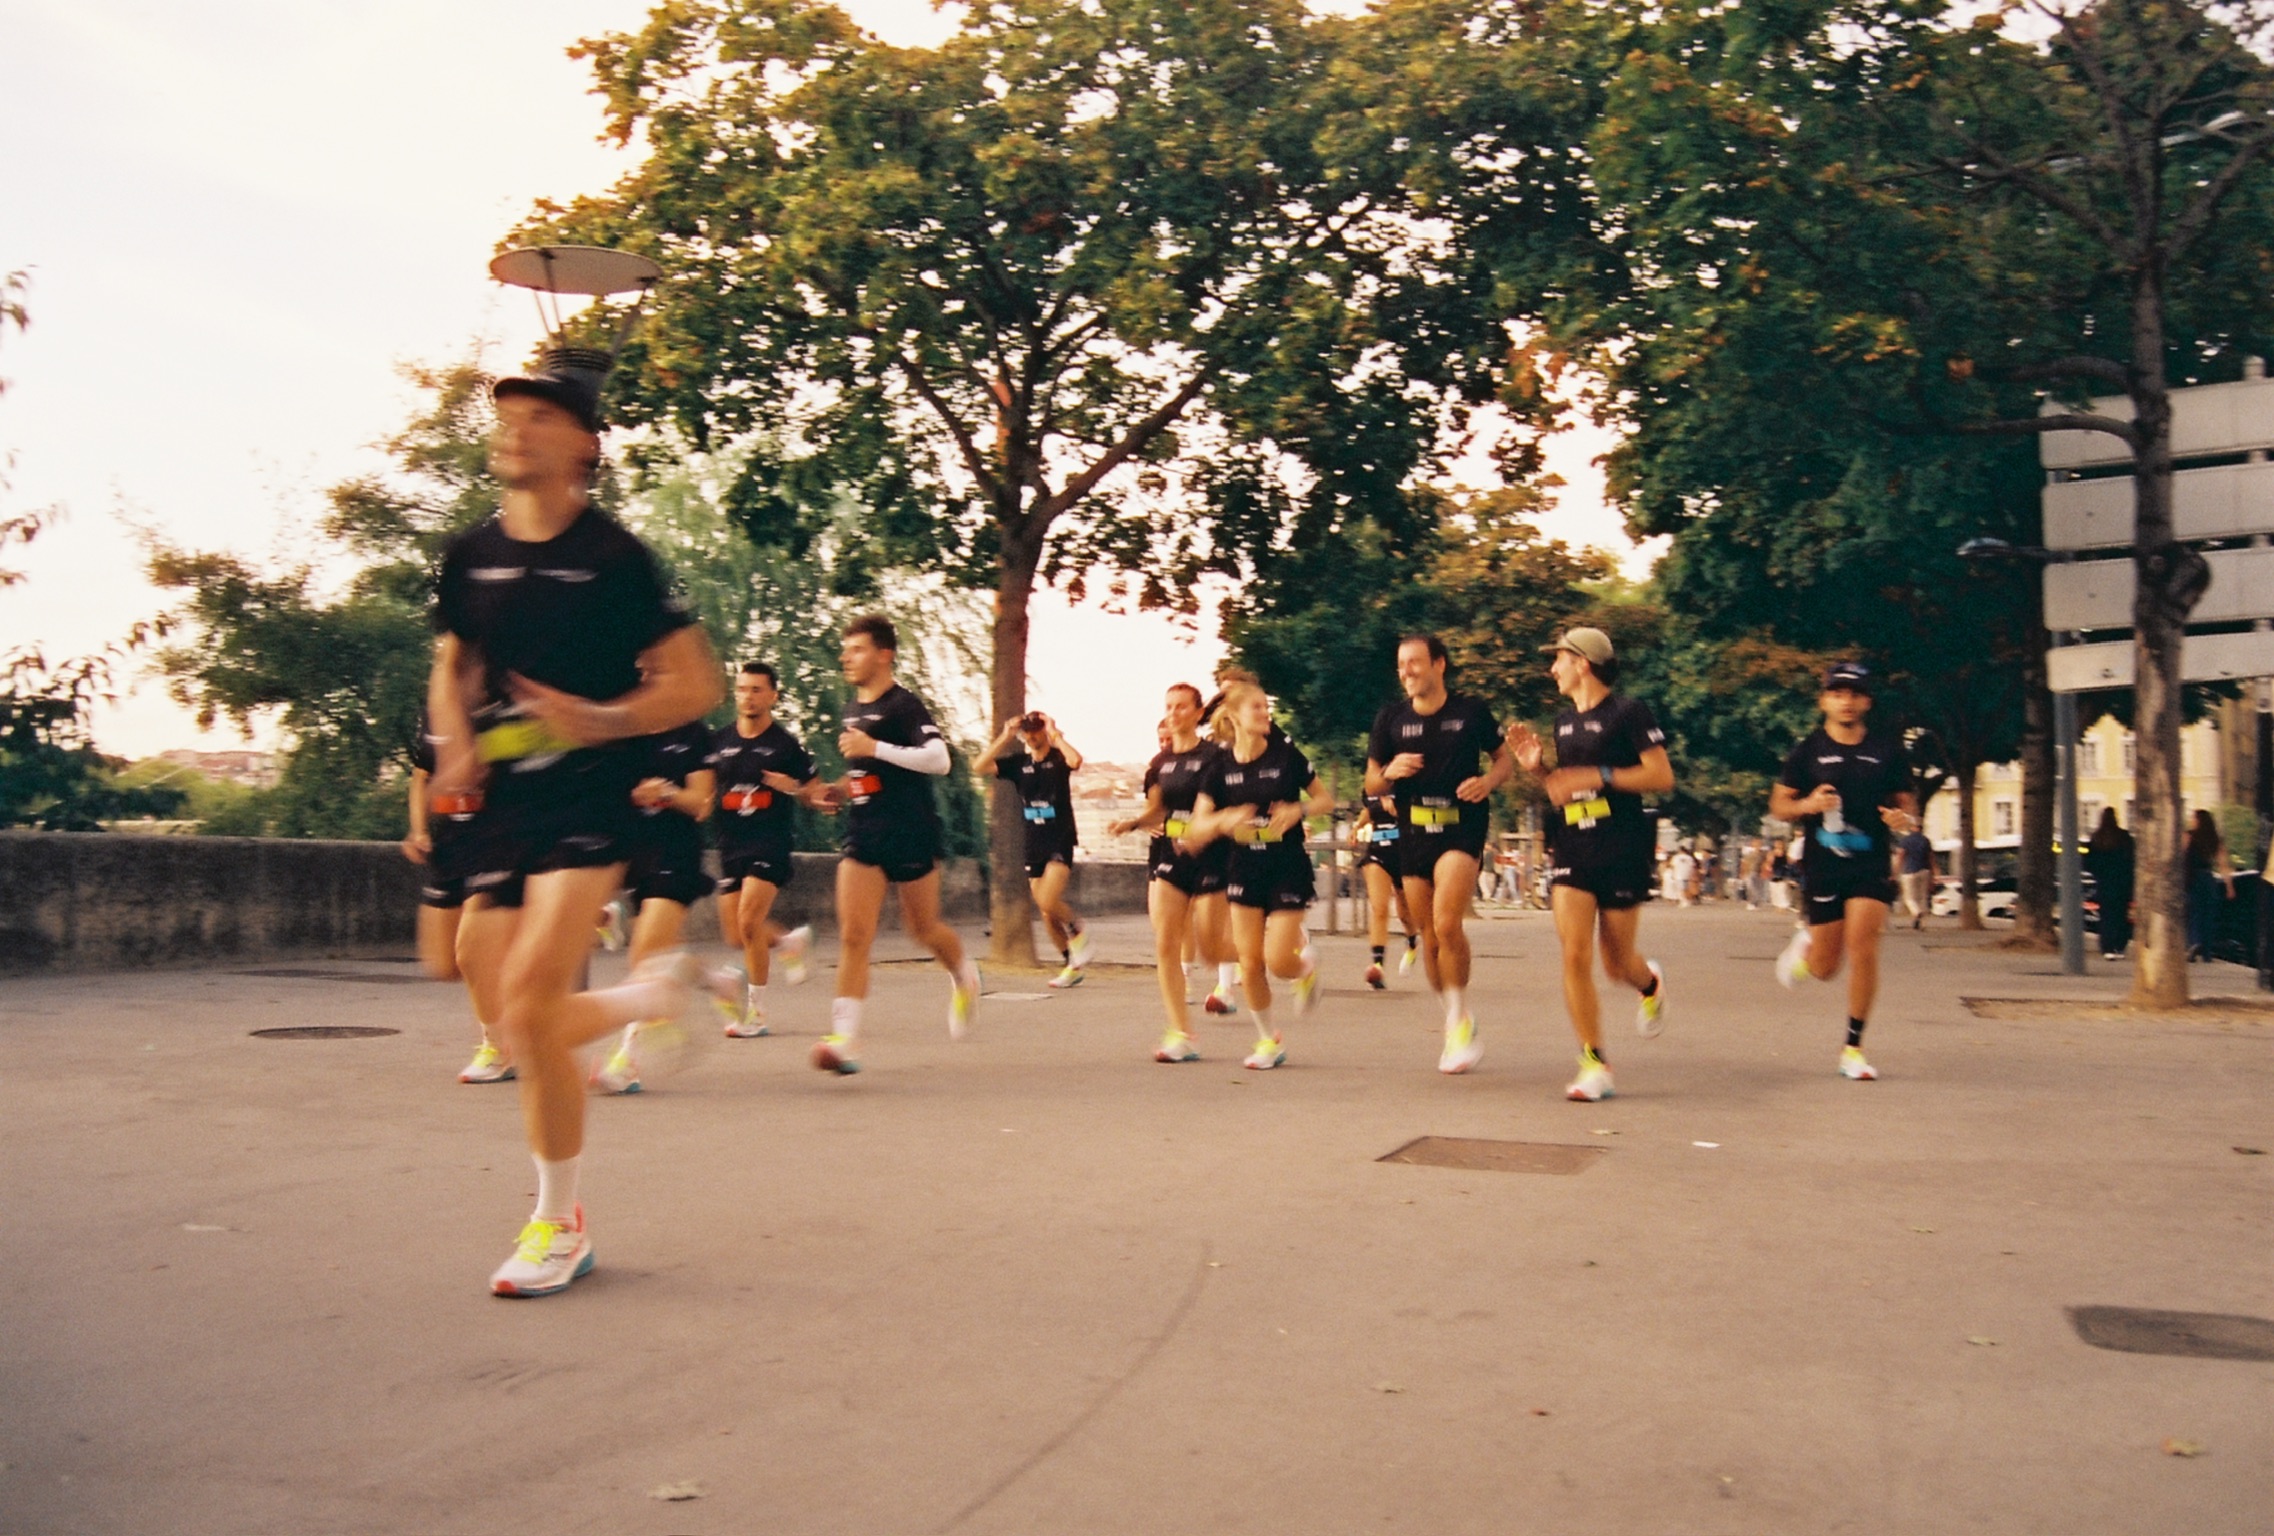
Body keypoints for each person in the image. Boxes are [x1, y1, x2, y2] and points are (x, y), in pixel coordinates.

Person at [428, 356, 729, 1297]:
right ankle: (654, 996)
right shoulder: (470, 555)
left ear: (585, 447)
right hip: (506, 802)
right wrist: (454, 746)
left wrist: (601, 720)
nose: (512, 429)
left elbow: (695, 685)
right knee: (493, 988)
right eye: (505, 415)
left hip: (594, 796)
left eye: (536, 417)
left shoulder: (615, 561)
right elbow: (453, 664)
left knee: (527, 999)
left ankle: (556, 1224)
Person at [810, 615, 982, 1074]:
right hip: (865, 830)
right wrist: (840, 789)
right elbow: (868, 771)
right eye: (845, 649)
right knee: (853, 934)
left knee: (923, 928)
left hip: (911, 829)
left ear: (884, 654)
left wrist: (875, 749)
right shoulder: (852, 709)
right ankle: (844, 1040)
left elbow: (939, 760)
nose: (846, 656)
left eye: (858, 649)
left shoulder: (904, 706)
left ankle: (964, 974)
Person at [1508, 627, 1673, 1103]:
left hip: (1621, 843)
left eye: (1558, 659)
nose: (1551, 668)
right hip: (1573, 845)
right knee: (1574, 954)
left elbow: (1661, 776)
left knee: (1618, 963)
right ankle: (1594, 1062)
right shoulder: (1562, 723)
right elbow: (1566, 787)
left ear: (1583, 662)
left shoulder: (1629, 712)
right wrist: (1540, 769)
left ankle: (1650, 983)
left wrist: (1600, 774)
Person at [1365, 635, 1515, 1074]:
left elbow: (1503, 761)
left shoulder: (1470, 712)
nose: (1407, 671)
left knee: (1448, 923)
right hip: (1413, 832)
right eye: (1401, 664)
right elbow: (1372, 782)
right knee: (1429, 935)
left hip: (1461, 828)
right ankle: (1455, 1016)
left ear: (1439, 665)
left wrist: (1488, 783)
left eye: (1415, 662)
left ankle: (1459, 1019)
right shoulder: (1390, 720)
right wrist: (1389, 773)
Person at [1769, 661, 1918, 1082]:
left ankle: (1853, 1046)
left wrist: (1902, 821)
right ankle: (1808, 949)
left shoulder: (1886, 750)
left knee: (1864, 943)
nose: (1846, 701)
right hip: (1823, 867)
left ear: (1866, 701)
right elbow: (1779, 805)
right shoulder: (1807, 752)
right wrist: (1807, 806)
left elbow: (1906, 806)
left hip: (1871, 863)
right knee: (1826, 968)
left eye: (1854, 694)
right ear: (1824, 701)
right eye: (1837, 693)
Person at [1183, 681, 1331, 1069]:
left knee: (1278, 960)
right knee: (1249, 962)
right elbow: (1197, 826)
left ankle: (1305, 970)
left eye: (1267, 707)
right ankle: (1269, 1041)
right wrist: (1223, 819)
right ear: (1234, 716)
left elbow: (1324, 799)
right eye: (1257, 708)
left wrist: (1297, 811)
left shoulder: (1286, 757)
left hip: (1286, 865)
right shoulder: (1219, 767)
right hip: (1243, 866)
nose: (1266, 713)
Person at [589, 718, 720, 1094]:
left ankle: (626, 1062)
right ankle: (713, 978)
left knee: (645, 954)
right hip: (634, 854)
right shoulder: (622, 730)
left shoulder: (691, 734)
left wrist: (664, 793)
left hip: (676, 852)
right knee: (660, 954)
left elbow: (701, 804)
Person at [1111, 683, 1236, 1061]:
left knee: (1212, 949)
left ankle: (1279, 957)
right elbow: (1157, 809)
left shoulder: (1216, 757)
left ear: (1199, 713)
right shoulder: (1160, 763)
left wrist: (1206, 828)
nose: (1174, 713)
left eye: (1182, 706)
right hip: (1170, 855)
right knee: (1166, 941)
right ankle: (1181, 1033)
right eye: (1169, 706)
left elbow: (1225, 808)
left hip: (1212, 855)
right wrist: (1133, 822)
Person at [710, 661, 822, 1036]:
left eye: (757, 689)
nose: (748, 696)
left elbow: (817, 793)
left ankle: (756, 1015)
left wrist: (792, 788)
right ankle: (790, 940)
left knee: (748, 921)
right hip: (730, 844)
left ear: (773, 696)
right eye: (742, 689)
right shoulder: (720, 742)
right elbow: (705, 789)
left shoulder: (784, 745)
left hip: (768, 842)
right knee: (735, 934)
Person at [403, 711, 513, 1083]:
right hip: (450, 843)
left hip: (497, 841)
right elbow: (421, 778)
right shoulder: (435, 714)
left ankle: (497, 1049)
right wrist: (419, 830)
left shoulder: (502, 706)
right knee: (445, 963)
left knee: (471, 952)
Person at [980, 710, 1092, 988]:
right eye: (1027, 732)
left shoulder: (1057, 759)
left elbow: (1076, 760)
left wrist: (1056, 733)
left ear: (1043, 731)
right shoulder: (1019, 764)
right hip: (1034, 842)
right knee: (1045, 912)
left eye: (1036, 730)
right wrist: (1006, 735)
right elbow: (979, 766)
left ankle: (1079, 931)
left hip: (1059, 838)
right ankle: (1071, 963)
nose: (1031, 736)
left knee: (1047, 899)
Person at [1353, 788, 1421, 988]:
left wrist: (1400, 809)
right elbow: (1369, 810)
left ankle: (1411, 943)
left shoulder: (1407, 780)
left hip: (1404, 850)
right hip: (1377, 850)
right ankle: (1377, 966)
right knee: (1379, 908)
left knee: (1404, 913)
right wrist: (1357, 826)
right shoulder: (1371, 787)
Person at [2084, 808, 2135, 960]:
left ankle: (2107, 946)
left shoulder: (2096, 838)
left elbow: (2088, 862)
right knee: (2121, 916)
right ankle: (2119, 946)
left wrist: (2098, 874)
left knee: (2106, 916)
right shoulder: (2124, 837)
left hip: (2104, 883)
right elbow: (2132, 860)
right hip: (2122, 883)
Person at [2185, 809, 2235, 961]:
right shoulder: (2215, 839)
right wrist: (2229, 886)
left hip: (2193, 878)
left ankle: (2194, 942)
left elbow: (2180, 856)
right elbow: (2223, 865)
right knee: (2208, 915)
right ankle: (2206, 952)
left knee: (2194, 912)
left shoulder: (2189, 836)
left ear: (2198, 820)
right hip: (2208, 878)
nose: (2192, 820)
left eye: (2194, 818)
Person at [1896, 822, 1934, 929]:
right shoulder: (1926, 840)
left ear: (1913, 828)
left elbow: (1901, 856)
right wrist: (1934, 874)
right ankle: (1921, 923)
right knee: (1922, 897)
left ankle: (1916, 912)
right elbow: (1931, 857)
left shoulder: (1905, 840)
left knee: (1909, 897)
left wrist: (1896, 871)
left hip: (1909, 871)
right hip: (1924, 871)